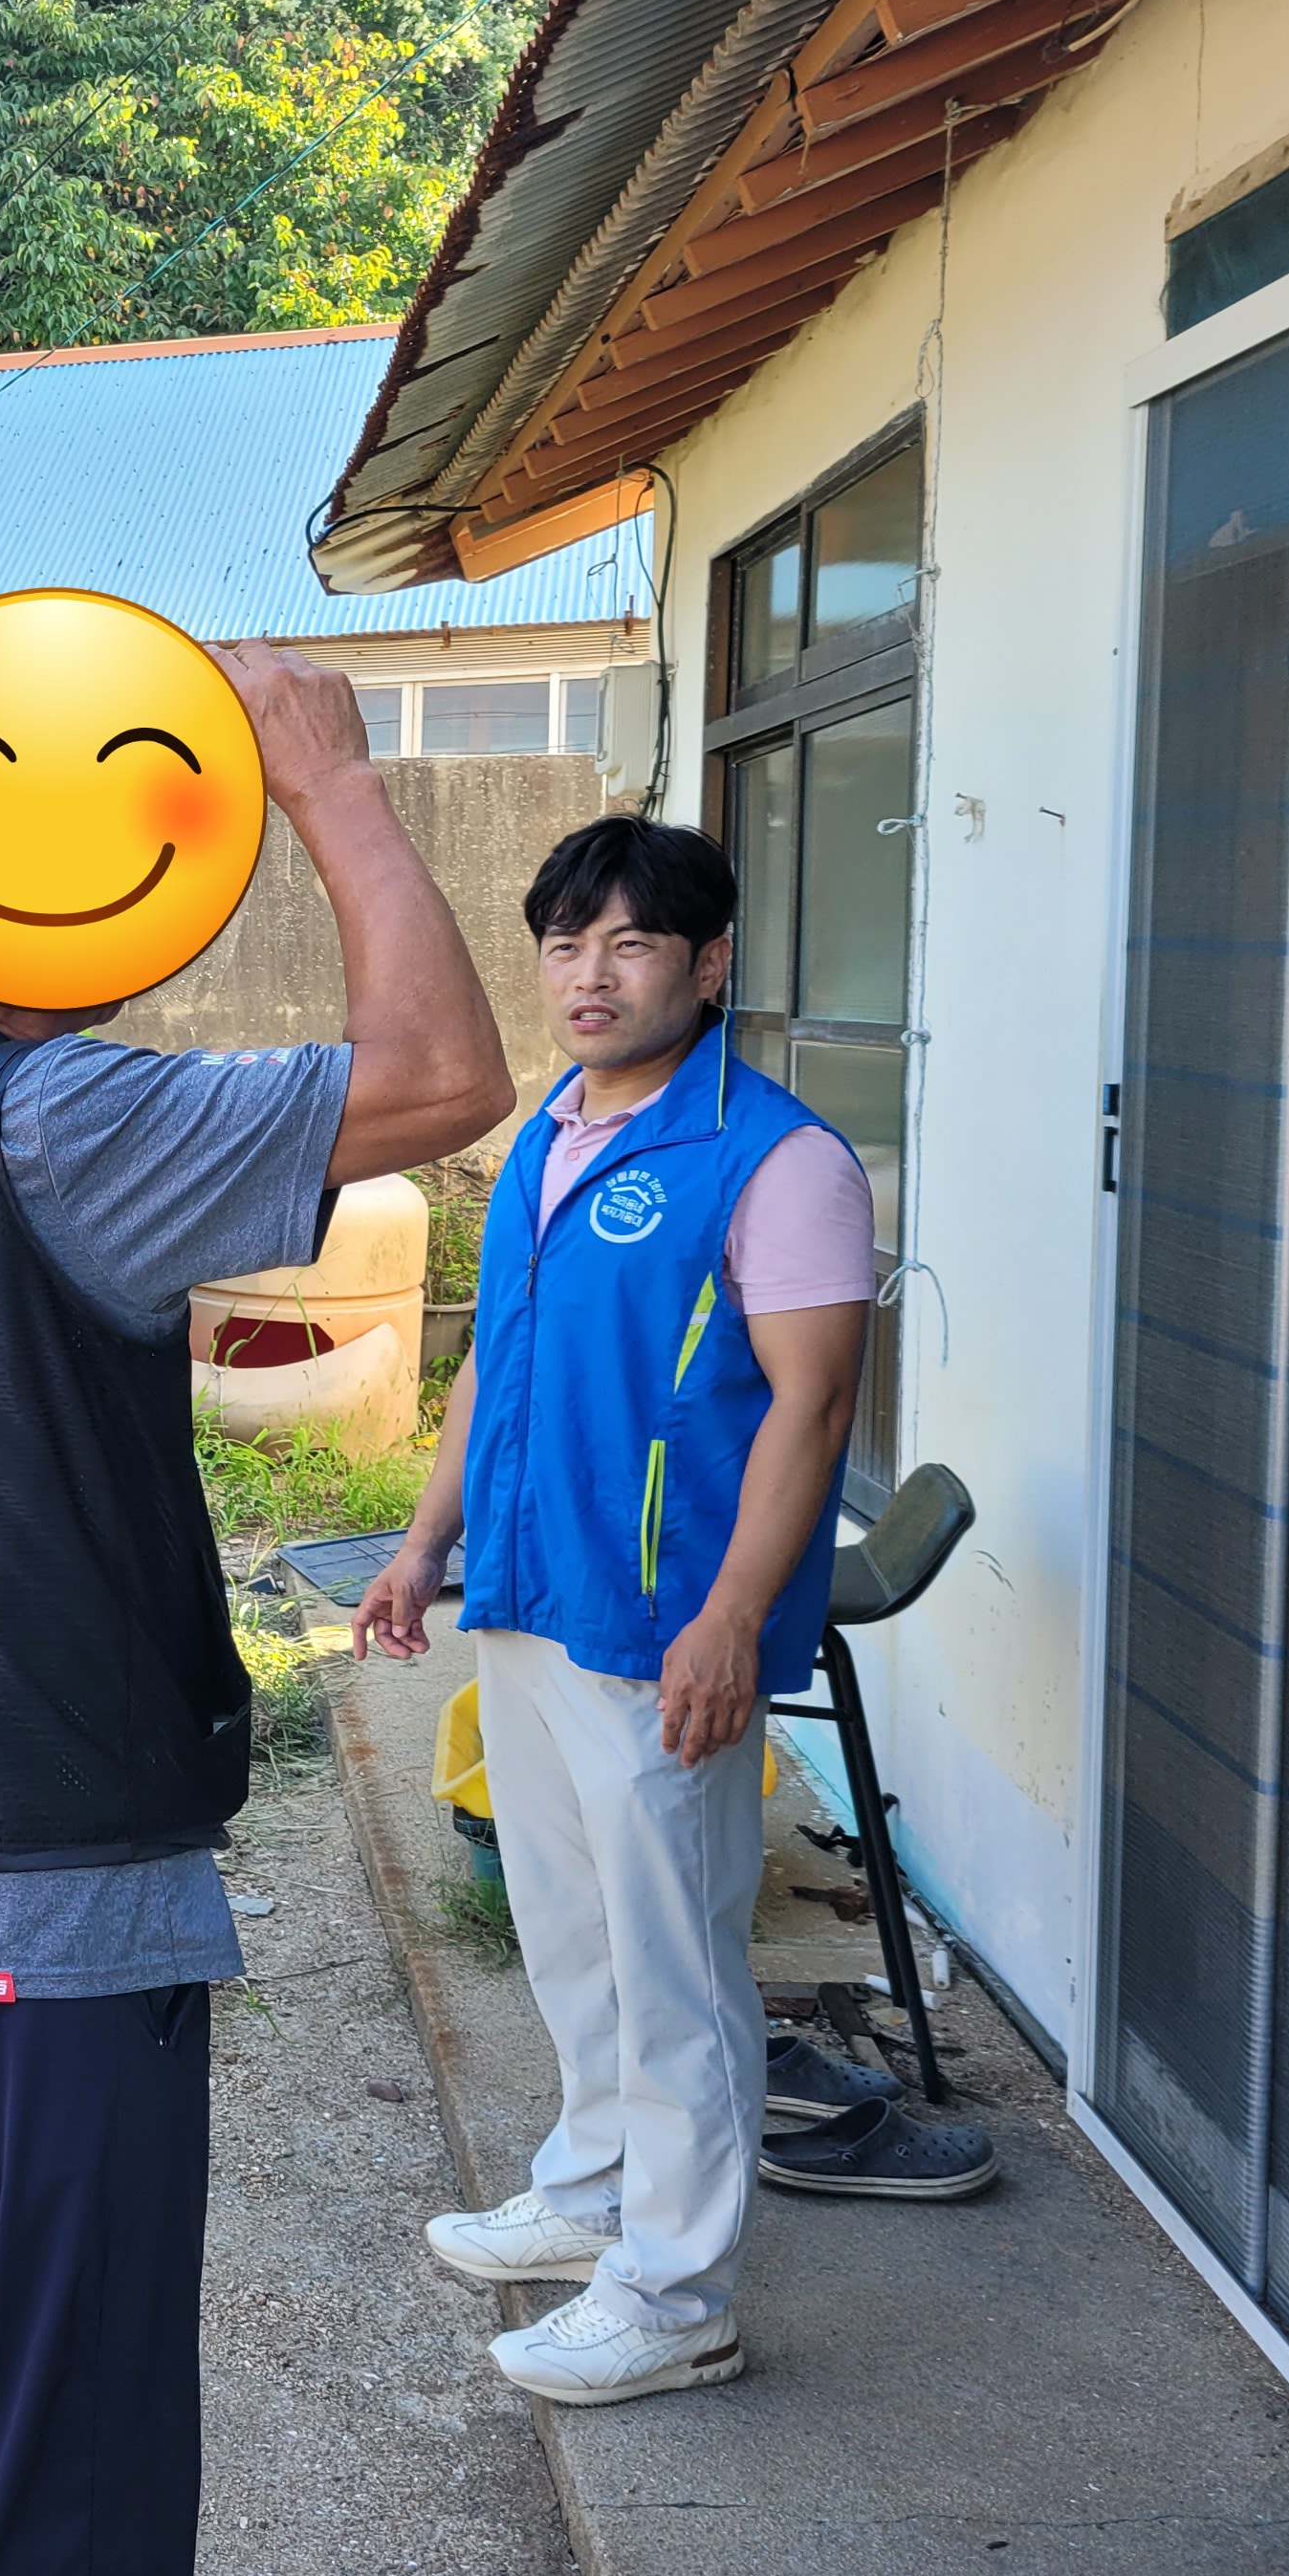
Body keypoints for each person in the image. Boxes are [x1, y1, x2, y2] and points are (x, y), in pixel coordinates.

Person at [0, 644, 515, 2576]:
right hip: (48, 1903)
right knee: (43, 2506)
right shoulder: (64, 1110)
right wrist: (327, 780)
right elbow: (447, 1074)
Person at [353, 818, 876, 2407]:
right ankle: (592, 2193)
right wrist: (424, 1541)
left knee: (677, 1970)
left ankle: (676, 2294)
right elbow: (491, 1364)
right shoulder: (549, 1134)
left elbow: (814, 1406)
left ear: (707, 965)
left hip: (663, 1629)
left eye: (631, 942)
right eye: (567, 943)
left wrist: (732, 1619)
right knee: (571, 1933)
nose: (591, 973)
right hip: (529, 1590)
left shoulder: (777, 1160)